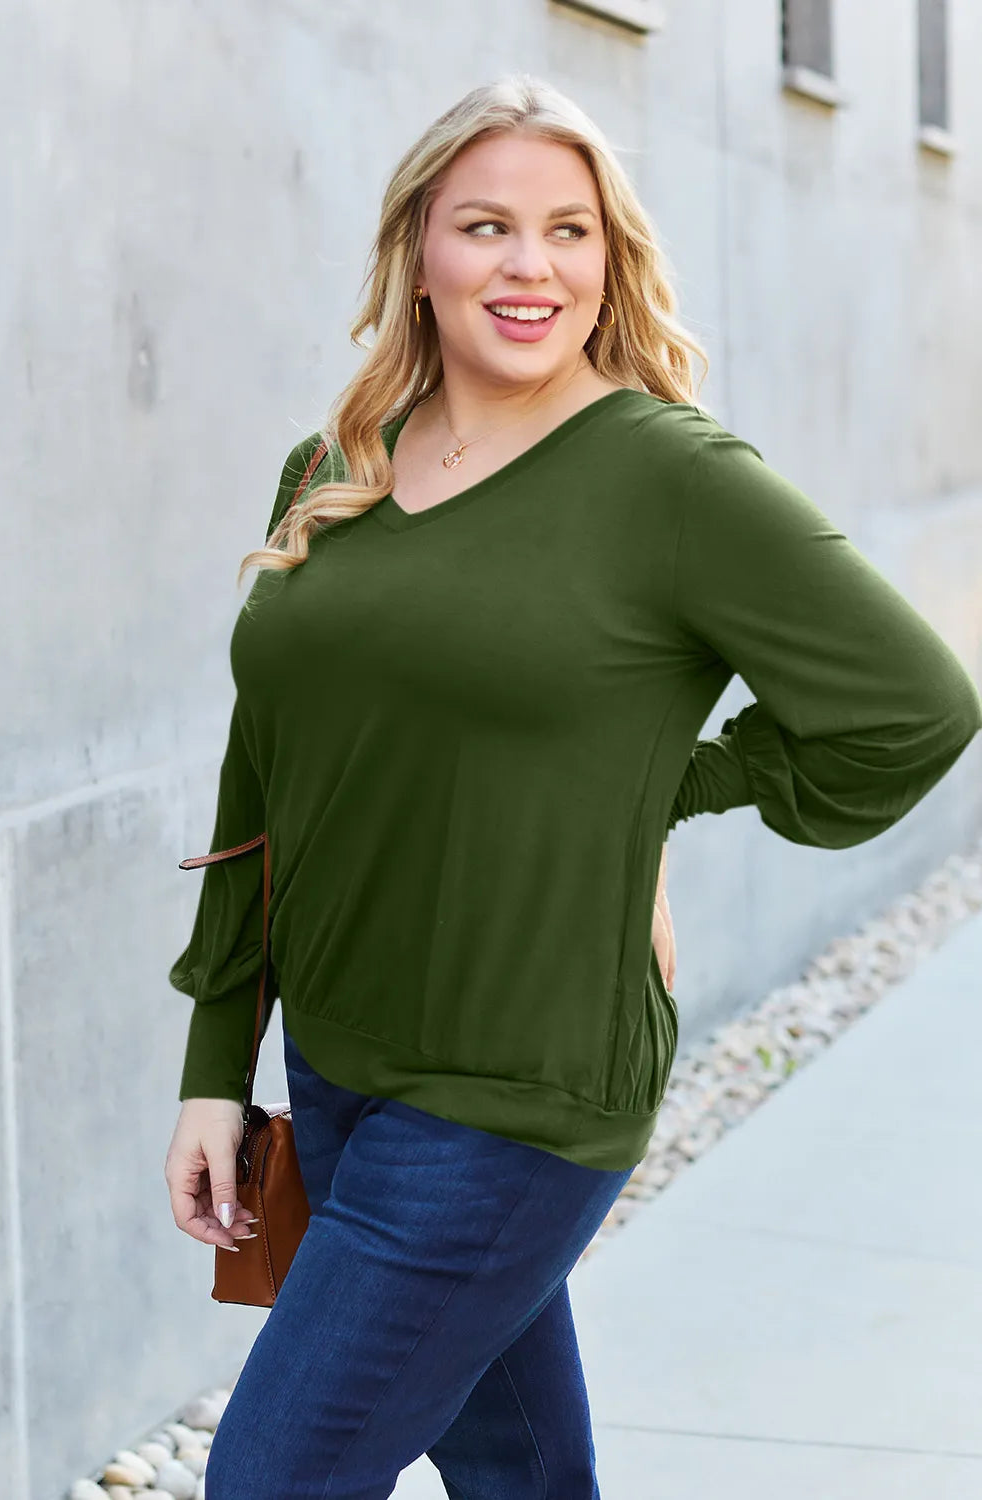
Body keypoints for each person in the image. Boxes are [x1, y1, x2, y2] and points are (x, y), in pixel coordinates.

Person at [163, 73, 981, 1500]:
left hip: (520, 1093)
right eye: (486, 226)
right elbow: (262, 775)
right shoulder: (333, 468)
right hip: (343, 1072)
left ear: (613, 258)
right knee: (524, 1475)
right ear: (419, 250)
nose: (531, 267)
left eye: (570, 230)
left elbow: (915, 708)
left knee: (270, 1479)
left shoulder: (672, 482)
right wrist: (212, 1070)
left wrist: (667, 786)